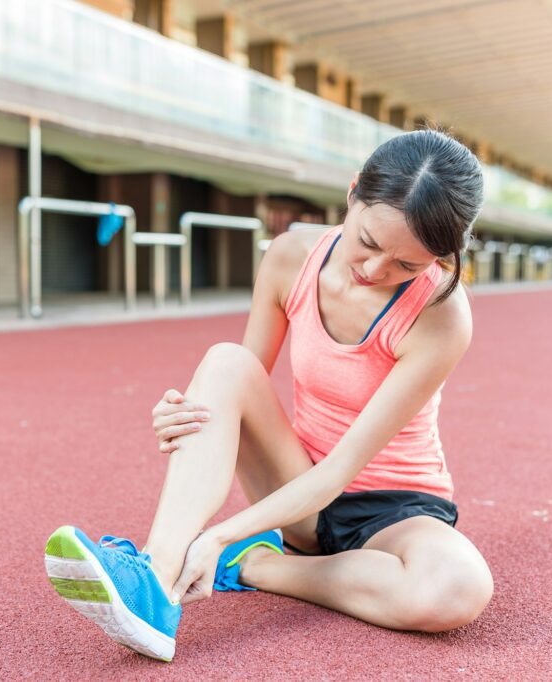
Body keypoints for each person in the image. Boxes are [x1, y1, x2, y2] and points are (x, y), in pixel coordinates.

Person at [44, 129, 493, 662]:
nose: (374, 271)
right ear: (352, 194)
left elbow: (342, 470)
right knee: (226, 360)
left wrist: (218, 537)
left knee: (457, 587)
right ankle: (154, 580)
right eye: (368, 242)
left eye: (408, 265)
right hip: (296, 481)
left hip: (396, 510)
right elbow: (238, 387)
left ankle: (258, 565)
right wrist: (186, 415)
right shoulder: (290, 258)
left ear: (439, 260)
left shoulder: (442, 315)